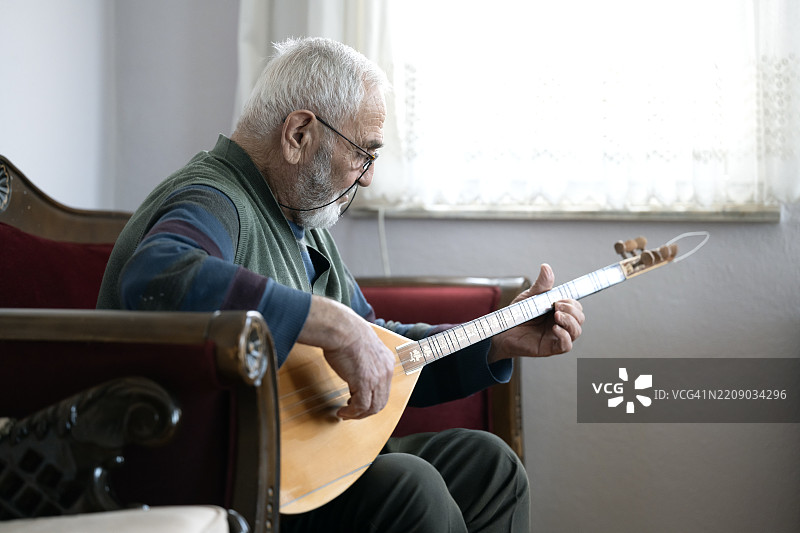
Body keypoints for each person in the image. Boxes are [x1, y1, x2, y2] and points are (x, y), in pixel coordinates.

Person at [97, 37, 585, 533]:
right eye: (363, 153)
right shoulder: (213, 196)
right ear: (299, 134)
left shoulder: (301, 222)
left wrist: (496, 339)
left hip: (302, 460)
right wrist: (328, 322)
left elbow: (381, 353)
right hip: (218, 470)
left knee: (490, 467)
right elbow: (158, 275)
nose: (369, 177)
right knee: (409, 486)